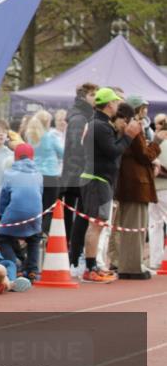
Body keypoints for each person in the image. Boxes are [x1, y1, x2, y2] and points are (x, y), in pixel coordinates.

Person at [79, 87, 141, 282]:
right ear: (109, 105)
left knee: (97, 224)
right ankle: (90, 268)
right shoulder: (100, 126)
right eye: (115, 102)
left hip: (99, 178)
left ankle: (93, 265)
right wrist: (129, 136)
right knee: (96, 224)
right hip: (97, 179)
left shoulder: (99, 124)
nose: (117, 106)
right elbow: (114, 151)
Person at [112, 100, 161, 279]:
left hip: (127, 183)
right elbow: (144, 155)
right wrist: (157, 141)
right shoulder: (133, 128)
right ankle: (132, 267)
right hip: (137, 184)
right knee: (136, 227)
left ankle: (129, 264)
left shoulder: (118, 130)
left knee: (129, 227)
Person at [0, 142, 43, 282]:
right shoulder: (39, 174)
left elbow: (4, 198)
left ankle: (14, 269)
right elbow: (39, 194)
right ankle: (33, 270)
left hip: (15, 211)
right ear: (32, 158)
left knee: (2, 238)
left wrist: (2, 216)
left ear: (15, 157)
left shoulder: (9, 173)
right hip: (35, 213)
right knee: (34, 238)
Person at [62, 82, 98, 266]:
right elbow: (76, 147)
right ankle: (73, 258)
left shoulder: (83, 115)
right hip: (77, 174)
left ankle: (73, 256)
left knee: (77, 216)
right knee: (77, 217)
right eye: (93, 95)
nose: (96, 99)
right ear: (85, 96)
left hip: (75, 173)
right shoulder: (79, 118)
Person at [25, 109, 63, 235]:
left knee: (37, 205)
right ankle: (43, 232)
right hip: (51, 175)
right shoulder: (50, 137)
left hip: (35, 174)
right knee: (49, 207)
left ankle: (34, 230)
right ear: (47, 123)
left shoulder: (31, 136)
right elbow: (62, 153)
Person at [148, 115, 167, 269]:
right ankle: (158, 260)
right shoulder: (154, 143)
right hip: (161, 188)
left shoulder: (153, 143)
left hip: (153, 188)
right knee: (155, 224)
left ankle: (156, 261)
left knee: (155, 225)